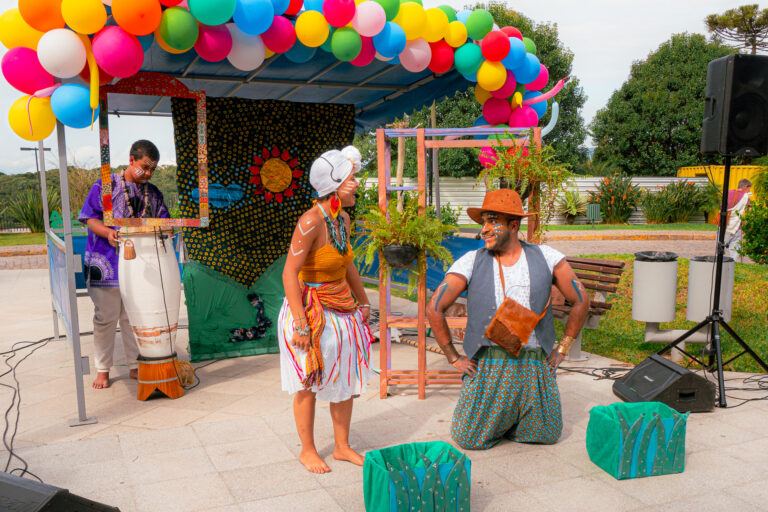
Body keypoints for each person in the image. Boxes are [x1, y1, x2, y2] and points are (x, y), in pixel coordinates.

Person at [426, 188, 590, 450]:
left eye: (493, 222)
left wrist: (562, 350)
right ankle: (504, 419)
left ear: (514, 226)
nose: (484, 230)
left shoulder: (547, 256)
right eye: (483, 222)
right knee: (468, 437)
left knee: (547, 433)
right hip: (490, 364)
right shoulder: (471, 261)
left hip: (535, 364)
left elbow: (581, 300)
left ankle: (511, 419)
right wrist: (453, 357)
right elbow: (435, 307)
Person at [278, 146, 376, 474]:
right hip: (309, 311)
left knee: (345, 377)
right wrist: (301, 325)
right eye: (351, 179)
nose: (357, 184)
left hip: (340, 308)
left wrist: (363, 301)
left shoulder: (342, 219)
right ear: (334, 186)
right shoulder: (310, 222)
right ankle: (307, 450)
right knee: (307, 381)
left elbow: (347, 265)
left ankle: (342, 446)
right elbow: (289, 273)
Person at [79, 140, 170, 389]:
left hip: (139, 265)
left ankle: (134, 364)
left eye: (153, 169)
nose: (149, 173)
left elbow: (164, 221)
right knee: (106, 317)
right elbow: (89, 218)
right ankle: (102, 370)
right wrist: (108, 232)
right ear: (131, 160)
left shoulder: (153, 193)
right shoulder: (105, 186)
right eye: (145, 167)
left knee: (133, 317)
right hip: (105, 260)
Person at [724, 179, 752, 261]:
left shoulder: (728, 193)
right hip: (737, 227)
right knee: (734, 251)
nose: (749, 191)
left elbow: (722, 206)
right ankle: (733, 266)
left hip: (724, 225)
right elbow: (749, 212)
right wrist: (746, 226)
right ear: (745, 187)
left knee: (720, 249)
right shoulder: (746, 197)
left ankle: (720, 266)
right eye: (749, 188)